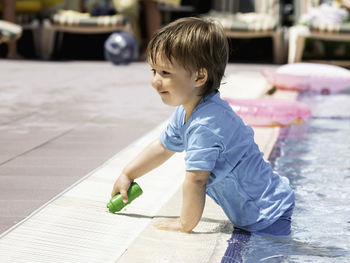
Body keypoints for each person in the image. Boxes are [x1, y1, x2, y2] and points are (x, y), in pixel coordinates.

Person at [111, 17, 295, 237]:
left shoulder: (207, 125)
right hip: (262, 211)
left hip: (268, 215)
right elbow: (163, 146)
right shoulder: (188, 110)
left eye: (165, 73)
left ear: (199, 76)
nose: (155, 81)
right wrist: (128, 174)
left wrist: (185, 224)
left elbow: (197, 179)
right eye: (154, 71)